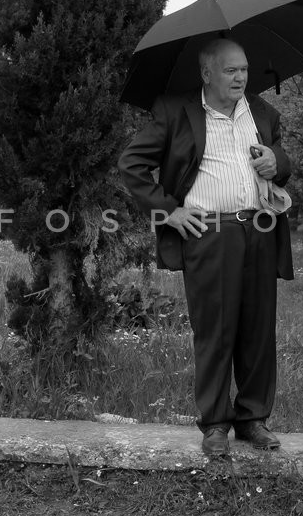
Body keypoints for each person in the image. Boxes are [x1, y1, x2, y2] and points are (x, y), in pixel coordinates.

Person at [118, 38, 294, 456]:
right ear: (207, 73)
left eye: (244, 70)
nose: (240, 78)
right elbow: (132, 165)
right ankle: (215, 424)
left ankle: (253, 419)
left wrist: (277, 162)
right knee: (215, 332)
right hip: (208, 234)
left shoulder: (264, 113)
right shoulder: (175, 110)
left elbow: (282, 162)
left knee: (257, 331)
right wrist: (169, 211)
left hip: (260, 228)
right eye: (231, 70)